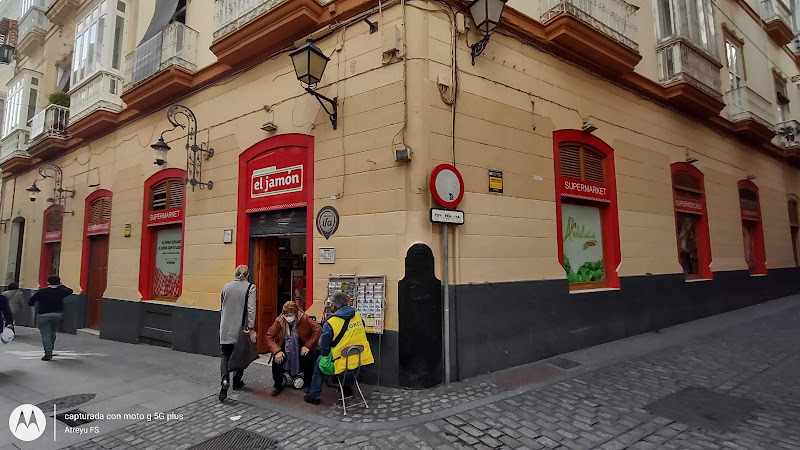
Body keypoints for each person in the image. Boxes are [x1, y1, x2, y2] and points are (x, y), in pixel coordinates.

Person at [304, 292, 374, 405]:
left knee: (319, 363)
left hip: (341, 361)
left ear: (335, 305)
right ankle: (346, 388)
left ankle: (314, 395)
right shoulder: (358, 315)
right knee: (347, 363)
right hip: (359, 358)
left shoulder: (331, 322)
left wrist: (323, 352)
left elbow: (325, 348)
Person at [218, 265, 256, 402]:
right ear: (247, 275)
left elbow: (222, 306)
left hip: (225, 327)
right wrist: (251, 327)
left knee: (225, 355)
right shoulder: (250, 287)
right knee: (241, 355)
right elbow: (251, 310)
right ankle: (237, 381)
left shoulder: (226, 286)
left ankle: (224, 381)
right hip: (240, 329)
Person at [266, 301, 320, 396]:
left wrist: (308, 346)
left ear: (296, 313)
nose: (288, 317)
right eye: (286, 315)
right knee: (277, 361)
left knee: (308, 358)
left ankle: (308, 383)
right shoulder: (280, 320)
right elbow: (269, 336)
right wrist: (276, 351)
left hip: (302, 343)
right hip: (285, 344)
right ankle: (278, 385)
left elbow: (318, 329)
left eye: (290, 315)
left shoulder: (304, 317)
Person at [28, 276, 73, 361]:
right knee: (53, 333)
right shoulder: (61, 291)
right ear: (59, 283)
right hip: (57, 315)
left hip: (43, 315)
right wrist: (61, 285)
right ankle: (50, 349)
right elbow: (70, 291)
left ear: (48, 282)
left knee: (46, 334)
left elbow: (30, 302)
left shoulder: (41, 292)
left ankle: (48, 353)